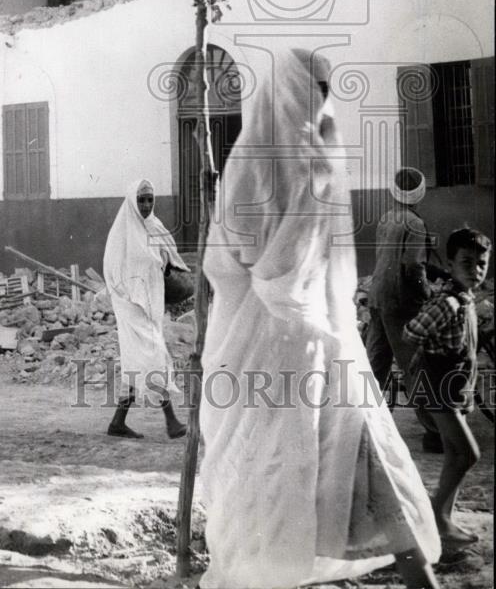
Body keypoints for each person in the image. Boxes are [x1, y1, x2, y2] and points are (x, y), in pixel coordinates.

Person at [199, 50, 441, 589]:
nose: (320, 99)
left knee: (328, 453)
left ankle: (399, 570)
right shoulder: (276, 159)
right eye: (316, 87)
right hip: (287, 340)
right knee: (309, 460)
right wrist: (286, 282)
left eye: (325, 88)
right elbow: (247, 254)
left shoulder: (294, 156)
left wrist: (285, 285)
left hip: (300, 340)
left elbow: (243, 257)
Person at [404, 227, 491, 547]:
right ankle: (435, 514)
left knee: (456, 453)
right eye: (466, 263)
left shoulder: (466, 298)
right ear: (451, 264)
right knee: (468, 454)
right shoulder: (449, 303)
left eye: (482, 263)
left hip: (456, 385)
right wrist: (430, 354)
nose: (476, 270)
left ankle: (444, 523)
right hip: (440, 384)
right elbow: (411, 332)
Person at [366, 167, 448, 451]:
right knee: (415, 367)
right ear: (420, 193)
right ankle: (435, 432)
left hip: (377, 297)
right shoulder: (415, 223)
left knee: (375, 365)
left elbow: (392, 257)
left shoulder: (388, 218)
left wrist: (433, 270)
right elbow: (413, 265)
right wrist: (426, 291)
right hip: (401, 304)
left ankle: (365, 426)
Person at [103, 179, 189, 440]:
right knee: (154, 356)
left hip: (152, 304)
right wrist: (131, 295)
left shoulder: (156, 226)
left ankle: (118, 422)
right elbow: (112, 269)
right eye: (141, 200)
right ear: (132, 201)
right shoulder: (123, 232)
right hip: (131, 306)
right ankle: (171, 421)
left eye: (150, 199)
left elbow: (171, 259)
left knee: (136, 361)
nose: (146, 204)